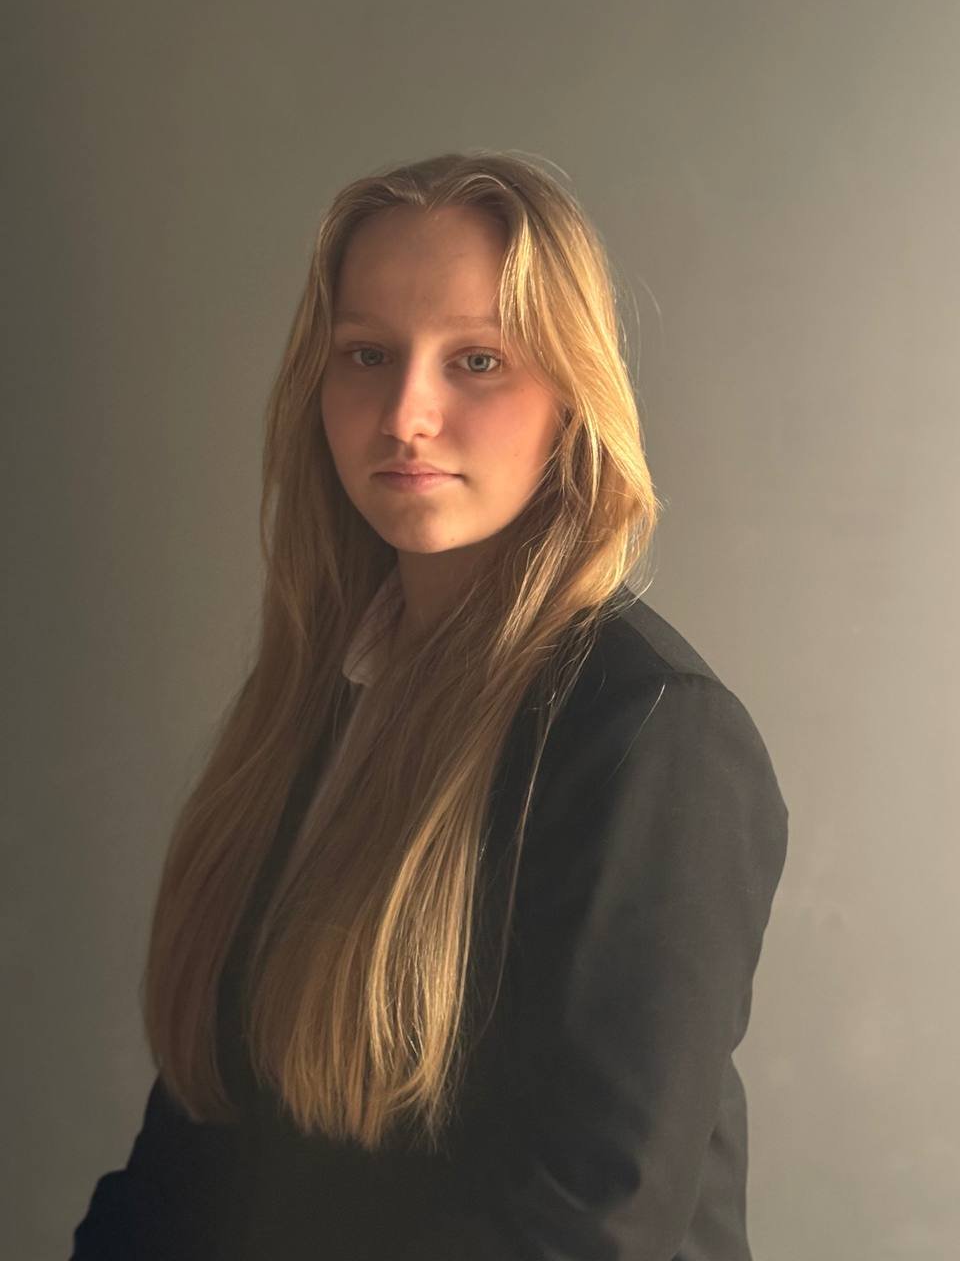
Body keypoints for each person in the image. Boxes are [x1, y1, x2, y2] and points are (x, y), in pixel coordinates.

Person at [70, 149, 789, 1260]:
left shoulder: (652, 734)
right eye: (367, 354)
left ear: (570, 399)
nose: (406, 414)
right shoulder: (318, 696)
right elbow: (198, 1148)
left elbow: (587, 1229)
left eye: (477, 360)